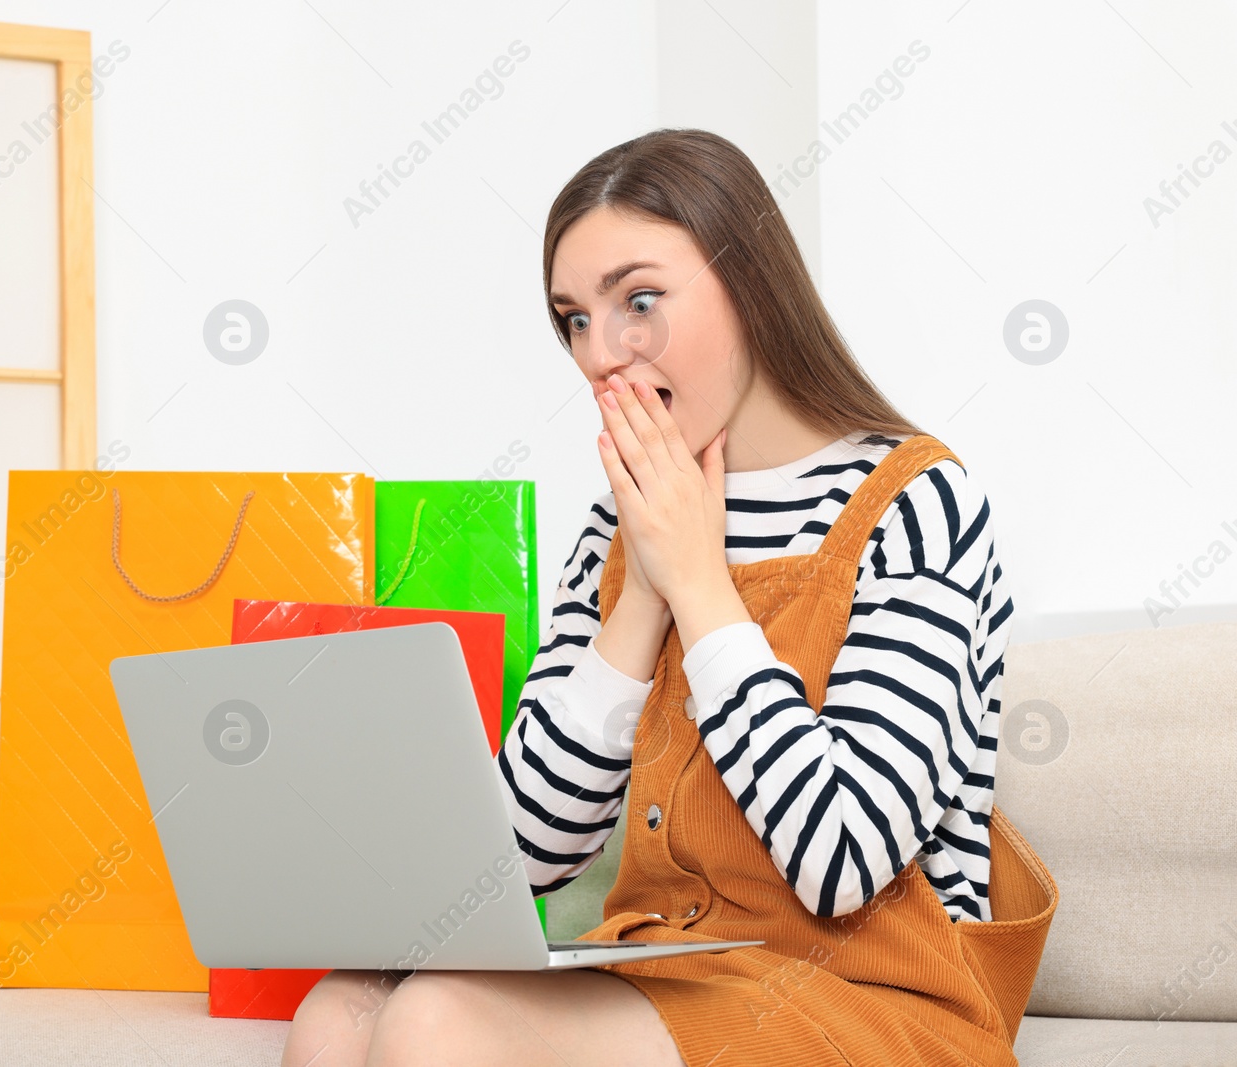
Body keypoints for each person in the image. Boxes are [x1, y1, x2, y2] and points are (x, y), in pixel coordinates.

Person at [281, 128, 1051, 1067]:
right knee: (341, 1010)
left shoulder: (921, 504)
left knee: (435, 1020)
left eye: (638, 301)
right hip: (672, 963)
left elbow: (846, 856)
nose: (601, 354)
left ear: (751, 283)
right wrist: (641, 593)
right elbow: (521, 853)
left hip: (876, 995)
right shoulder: (618, 528)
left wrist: (696, 579)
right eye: (573, 319)